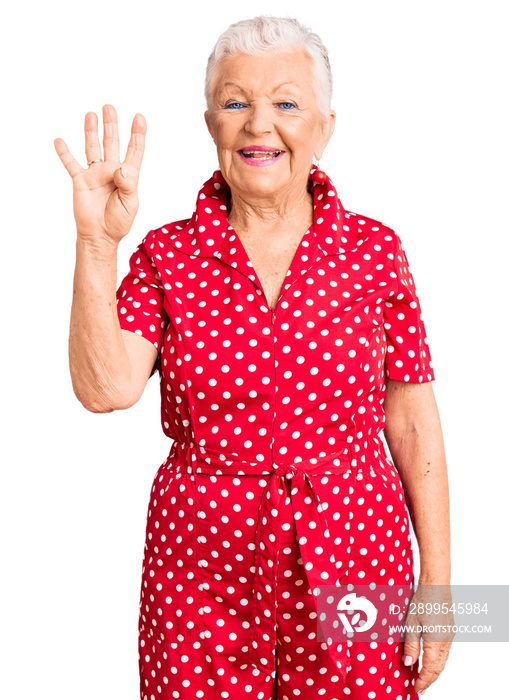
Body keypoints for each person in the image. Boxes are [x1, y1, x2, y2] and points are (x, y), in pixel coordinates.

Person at [54, 15, 452, 700]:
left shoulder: (376, 252)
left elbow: (414, 422)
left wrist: (445, 598)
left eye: (286, 103)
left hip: (359, 556)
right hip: (198, 570)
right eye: (235, 102)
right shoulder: (165, 256)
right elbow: (105, 390)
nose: (258, 124)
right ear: (209, 123)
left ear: (326, 125)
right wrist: (95, 242)